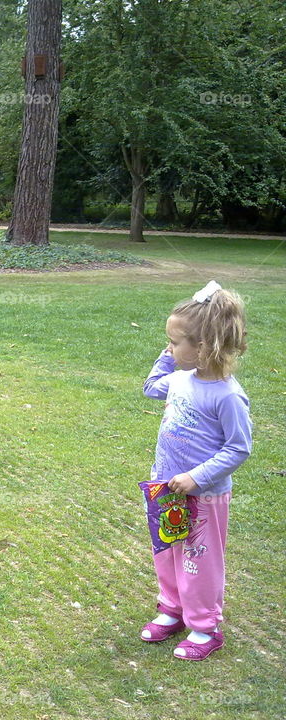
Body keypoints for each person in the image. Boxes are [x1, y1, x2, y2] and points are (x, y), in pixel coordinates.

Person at [140, 280, 252, 660]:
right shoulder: (179, 379)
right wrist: (168, 356)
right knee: (167, 550)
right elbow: (151, 386)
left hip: (203, 494)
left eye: (174, 342)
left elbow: (239, 447)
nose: (169, 348)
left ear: (203, 347)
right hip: (165, 487)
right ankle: (171, 609)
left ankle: (205, 627)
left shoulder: (227, 395)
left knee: (198, 559)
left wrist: (196, 477)